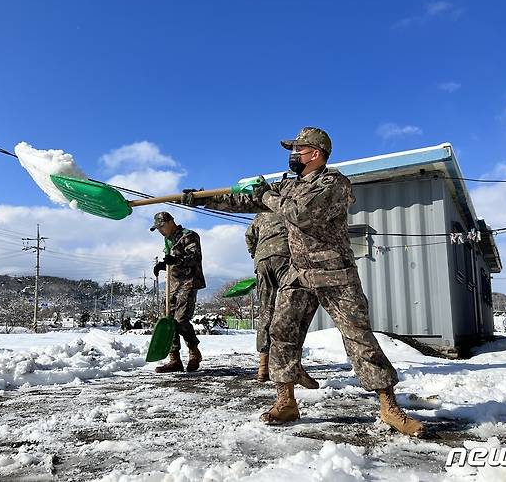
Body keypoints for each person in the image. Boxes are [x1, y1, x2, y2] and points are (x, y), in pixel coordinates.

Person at [182, 127, 425, 437]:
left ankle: (389, 407)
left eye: (297, 148)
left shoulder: (333, 183)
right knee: (281, 332)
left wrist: (266, 195)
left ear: (316, 153)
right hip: (299, 273)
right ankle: (286, 402)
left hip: (333, 272)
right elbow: (245, 201)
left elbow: (301, 214)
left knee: (358, 337)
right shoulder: (288, 185)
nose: (292, 154)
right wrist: (203, 199)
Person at [245, 212, 318, 389]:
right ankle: (293, 365)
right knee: (290, 310)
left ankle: (263, 366)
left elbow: (249, 236)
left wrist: (257, 253)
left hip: (262, 260)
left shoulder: (260, 215)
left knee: (266, 311)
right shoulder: (288, 205)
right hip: (285, 256)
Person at [151, 211, 206, 373]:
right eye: (157, 228)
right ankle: (174, 359)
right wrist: (163, 264)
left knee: (181, 320)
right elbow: (171, 260)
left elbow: (195, 257)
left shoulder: (188, 236)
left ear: (170, 222)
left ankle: (194, 351)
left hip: (189, 282)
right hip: (173, 284)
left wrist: (176, 260)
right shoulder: (168, 240)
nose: (160, 230)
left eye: (161, 226)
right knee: (168, 319)